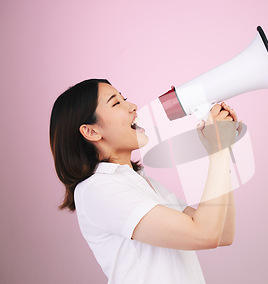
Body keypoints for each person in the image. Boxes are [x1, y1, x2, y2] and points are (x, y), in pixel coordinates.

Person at [49, 79, 241, 284]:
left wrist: (222, 147)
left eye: (125, 99)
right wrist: (217, 147)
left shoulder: (141, 182)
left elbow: (222, 234)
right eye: (116, 104)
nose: (132, 107)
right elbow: (205, 234)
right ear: (91, 131)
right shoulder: (97, 189)